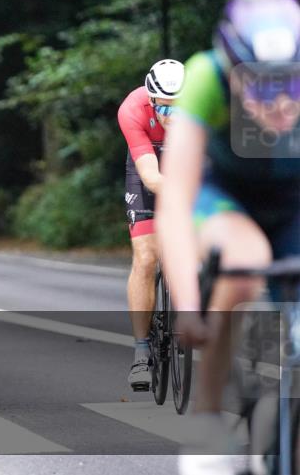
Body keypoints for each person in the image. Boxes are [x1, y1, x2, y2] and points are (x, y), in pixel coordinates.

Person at [156, 0, 300, 475]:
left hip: (293, 201)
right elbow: (173, 200)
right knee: (244, 263)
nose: (280, 102)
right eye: (261, 86)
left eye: (293, 84)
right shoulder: (205, 78)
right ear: (232, 70)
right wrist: (189, 304)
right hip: (223, 199)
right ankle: (208, 415)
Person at [117, 59, 185, 390]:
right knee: (146, 256)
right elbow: (151, 176)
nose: (172, 115)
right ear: (152, 99)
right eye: (166, 109)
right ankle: (141, 352)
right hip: (150, 166)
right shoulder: (133, 109)